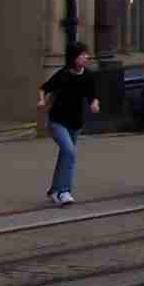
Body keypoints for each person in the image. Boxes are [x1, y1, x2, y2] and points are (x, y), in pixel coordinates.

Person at [38, 43, 99, 206]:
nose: (86, 57)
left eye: (86, 54)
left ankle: (54, 191)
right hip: (57, 121)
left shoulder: (88, 76)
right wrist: (42, 99)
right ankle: (64, 191)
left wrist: (94, 103)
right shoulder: (63, 75)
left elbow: (92, 95)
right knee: (70, 152)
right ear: (74, 58)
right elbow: (44, 88)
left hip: (75, 123)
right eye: (82, 55)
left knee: (65, 155)